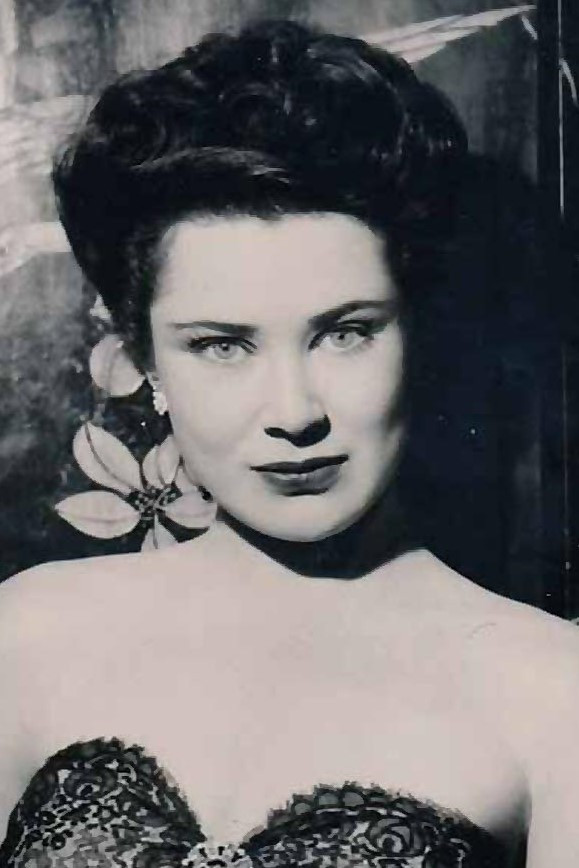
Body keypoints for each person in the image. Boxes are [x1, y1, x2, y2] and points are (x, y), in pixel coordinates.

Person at [0, 18, 577, 868]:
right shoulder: (26, 637)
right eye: (220, 345)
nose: (293, 411)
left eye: (345, 333)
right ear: (145, 361)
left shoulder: (552, 693)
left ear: (416, 335)